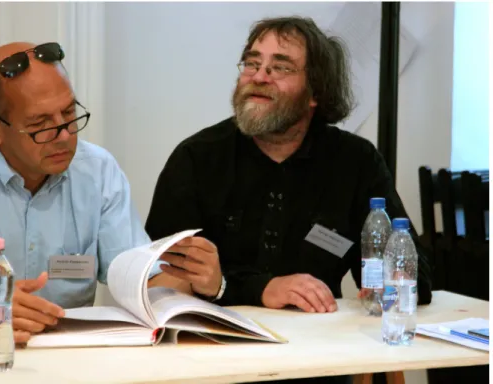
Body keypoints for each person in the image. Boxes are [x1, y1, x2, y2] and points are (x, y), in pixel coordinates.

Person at [146, 16, 432, 313]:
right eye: (252, 63)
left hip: (319, 344)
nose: (259, 76)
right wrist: (256, 288)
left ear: (316, 92)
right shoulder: (197, 157)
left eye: (280, 67)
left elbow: (413, 280)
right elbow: (157, 282)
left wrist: (395, 278)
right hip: (213, 343)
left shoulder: (355, 161)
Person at [0, 42, 186, 345]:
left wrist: (188, 286)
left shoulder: (98, 171)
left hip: (72, 358)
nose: (64, 136)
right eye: (40, 124)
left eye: (68, 112)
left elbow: (140, 276)